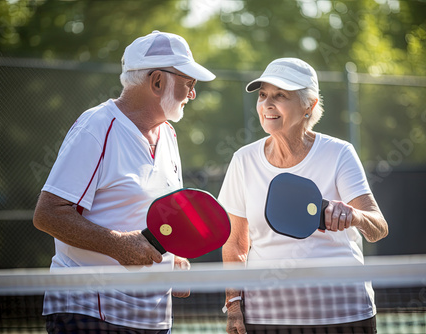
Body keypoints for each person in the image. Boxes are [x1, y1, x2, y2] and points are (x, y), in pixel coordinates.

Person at [33, 30, 215, 333]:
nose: (192, 94)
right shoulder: (95, 127)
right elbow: (48, 214)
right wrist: (119, 245)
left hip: (154, 319)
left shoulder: (168, 134)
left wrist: (177, 256)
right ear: (157, 81)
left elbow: (164, 212)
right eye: (188, 83)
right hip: (88, 313)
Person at [219, 58, 388, 334]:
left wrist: (354, 216)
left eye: (280, 96)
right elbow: (235, 244)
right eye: (263, 96)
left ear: (308, 105)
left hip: (342, 313)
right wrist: (234, 306)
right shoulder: (243, 160)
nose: (267, 104)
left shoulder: (339, 153)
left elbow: (378, 228)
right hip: (267, 317)